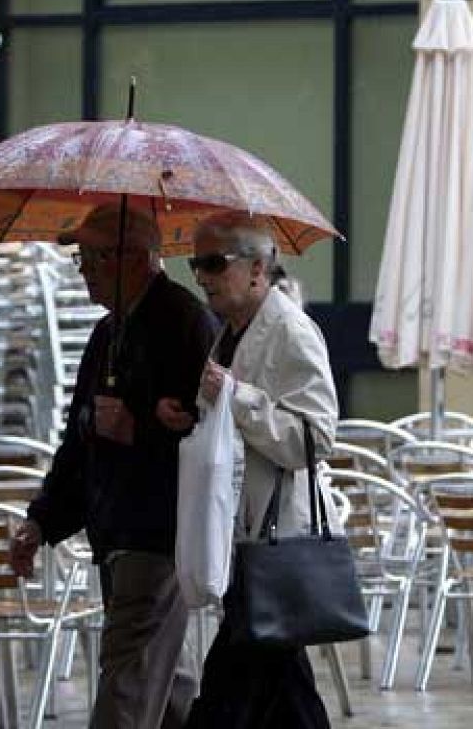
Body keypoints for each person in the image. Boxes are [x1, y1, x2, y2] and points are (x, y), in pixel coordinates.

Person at [8, 204, 218, 729]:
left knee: (127, 683)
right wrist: (42, 520)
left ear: (131, 259)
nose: (84, 272)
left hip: (160, 535)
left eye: (90, 259)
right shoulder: (107, 334)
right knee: (166, 688)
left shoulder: (186, 322)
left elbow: (216, 435)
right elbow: (79, 442)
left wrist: (141, 428)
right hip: (118, 531)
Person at [183, 213, 339, 729]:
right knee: (282, 691)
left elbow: (315, 438)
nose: (201, 276)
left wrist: (237, 396)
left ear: (256, 269)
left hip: (273, 539)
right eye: (194, 263)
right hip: (240, 537)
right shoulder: (229, 330)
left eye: (212, 263)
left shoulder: (292, 331)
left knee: (229, 694)